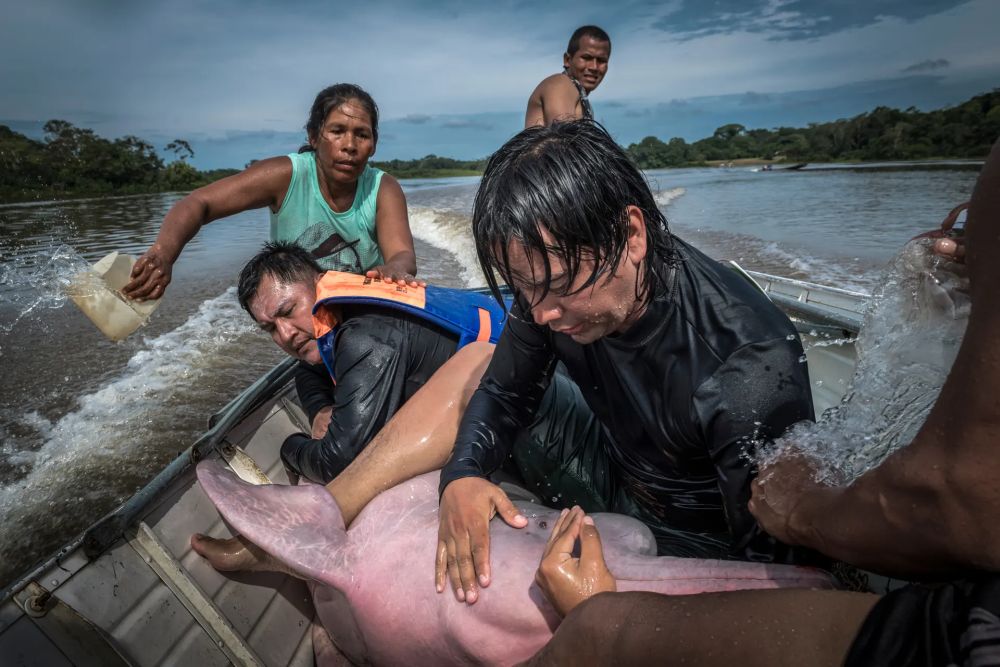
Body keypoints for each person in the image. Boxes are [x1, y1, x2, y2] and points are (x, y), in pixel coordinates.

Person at [522, 139, 1000, 667]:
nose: (952, 230)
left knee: (597, 631)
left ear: (631, 235)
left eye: (969, 226)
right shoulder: (545, 296)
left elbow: (955, 502)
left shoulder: (744, 353)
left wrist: (803, 511)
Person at [435, 119, 818, 606]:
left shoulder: (746, 365)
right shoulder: (550, 285)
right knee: (473, 364)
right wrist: (463, 475)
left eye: (554, 287)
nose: (541, 314)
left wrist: (608, 616)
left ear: (631, 234)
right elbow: (505, 394)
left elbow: (777, 580)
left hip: (700, 535)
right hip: (613, 465)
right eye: (523, 287)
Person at [193, 241, 608, 567]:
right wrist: (321, 407)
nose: (285, 333)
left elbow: (338, 459)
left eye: (288, 311)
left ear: (322, 284)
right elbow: (307, 371)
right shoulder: (345, 318)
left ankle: (288, 541)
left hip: (569, 451)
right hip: (535, 417)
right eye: (270, 329)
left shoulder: (365, 335)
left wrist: (290, 447)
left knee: (473, 367)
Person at [123, 83, 419, 302]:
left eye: (362, 134)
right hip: (302, 310)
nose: (350, 145)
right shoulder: (286, 176)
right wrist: (162, 254)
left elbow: (403, 253)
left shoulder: (382, 187)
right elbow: (199, 203)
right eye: (337, 130)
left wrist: (393, 269)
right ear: (314, 137)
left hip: (361, 306)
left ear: (374, 145)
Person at [524, 26, 611, 128]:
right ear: (567, 60)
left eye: (601, 61)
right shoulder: (561, 84)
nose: (594, 67)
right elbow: (564, 140)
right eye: (587, 58)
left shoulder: (584, 103)